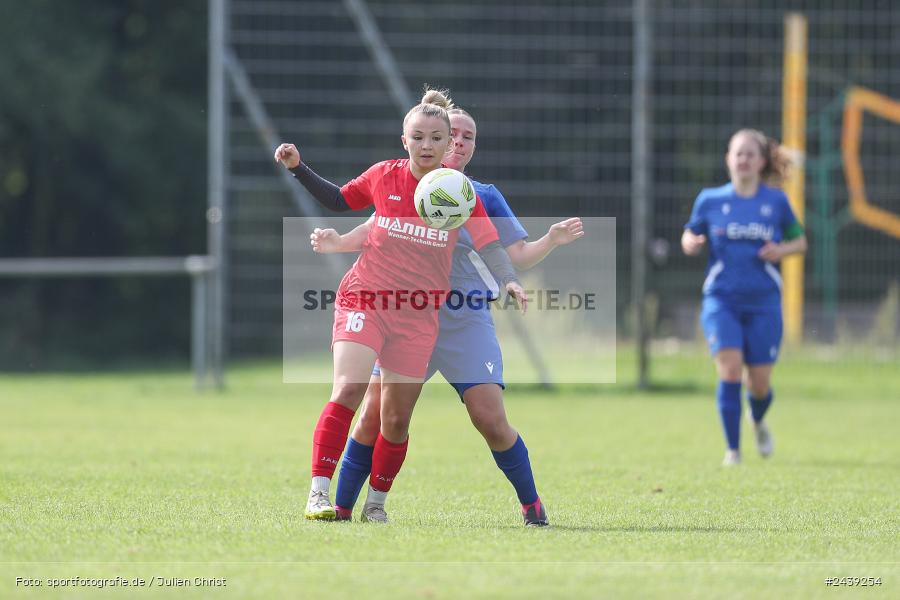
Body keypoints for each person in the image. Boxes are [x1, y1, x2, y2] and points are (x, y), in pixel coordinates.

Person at [311, 107, 584, 525]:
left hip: (461, 319)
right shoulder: (401, 180)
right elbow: (375, 230)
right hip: (402, 312)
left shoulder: (481, 195)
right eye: (448, 133)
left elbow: (512, 255)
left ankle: (532, 505)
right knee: (372, 415)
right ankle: (343, 509)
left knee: (490, 418)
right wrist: (338, 243)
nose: (455, 142)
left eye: (466, 136)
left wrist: (549, 240)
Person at [274, 88, 528, 523]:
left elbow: (489, 244)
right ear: (404, 139)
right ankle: (319, 491)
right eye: (418, 137)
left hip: (417, 314)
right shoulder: (383, 175)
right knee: (349, 389)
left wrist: (509, 281)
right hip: (366, 296)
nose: (426, 145)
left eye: (435, 138)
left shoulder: (457, 192)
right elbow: (340, 200)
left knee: (395, 420)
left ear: (449, 144)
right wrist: (299, 168)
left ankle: (376, 505)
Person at [682, 128, 808, 466]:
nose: (743, 159)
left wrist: (780, 249)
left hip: (764, 302)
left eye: (750, 154)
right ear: (728, 159)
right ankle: (733, 451)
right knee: (730, 369)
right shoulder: (710, 200)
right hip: (721, 299)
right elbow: (689, 234)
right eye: (738, 153)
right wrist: (690, 242)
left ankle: (757, 418)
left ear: (762, 160)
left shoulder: (776, 202)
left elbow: (800, 242)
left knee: (760, 384)